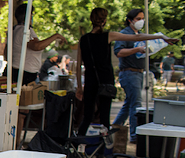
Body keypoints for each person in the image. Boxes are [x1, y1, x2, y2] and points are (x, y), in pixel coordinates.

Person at [76, 7, 178, 136]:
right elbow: (137, 37)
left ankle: (77, 148)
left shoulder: (83, 39)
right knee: (104, 119)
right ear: (105, 20)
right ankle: (101, 153)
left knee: (87, 117)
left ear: (91, 20)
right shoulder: (109, 35)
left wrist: (79, 87)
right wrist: (161, 36)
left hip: (90, 81)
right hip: (106, 81)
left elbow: (78, 66)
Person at [9, 3, 66, 85]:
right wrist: (55, 36)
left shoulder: (16, 30)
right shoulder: (23, 31)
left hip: (23, 72)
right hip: (23, 73)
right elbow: (37, 46)